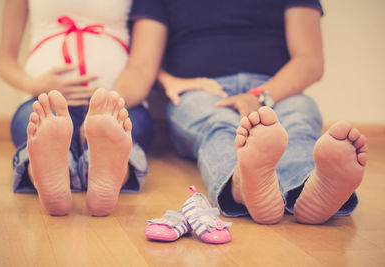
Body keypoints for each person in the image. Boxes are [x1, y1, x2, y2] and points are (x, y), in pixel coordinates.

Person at [115, 0, 368, 224]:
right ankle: (241, 184)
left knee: (299, 118)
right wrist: (166, 81)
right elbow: (142, 65)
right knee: (218, 123)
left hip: (277, 90)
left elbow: (310, 60)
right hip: (202, 89)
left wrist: (259, 96)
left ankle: (309, 188)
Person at [0, 0, 155, 216]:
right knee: (37, 126)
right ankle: (59, 173)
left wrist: (115, 98)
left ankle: (92, 171)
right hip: (45, 97)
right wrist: (33, 85)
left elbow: (143, 65)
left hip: (117, 98)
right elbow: (5, 60)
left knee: (125, 127)